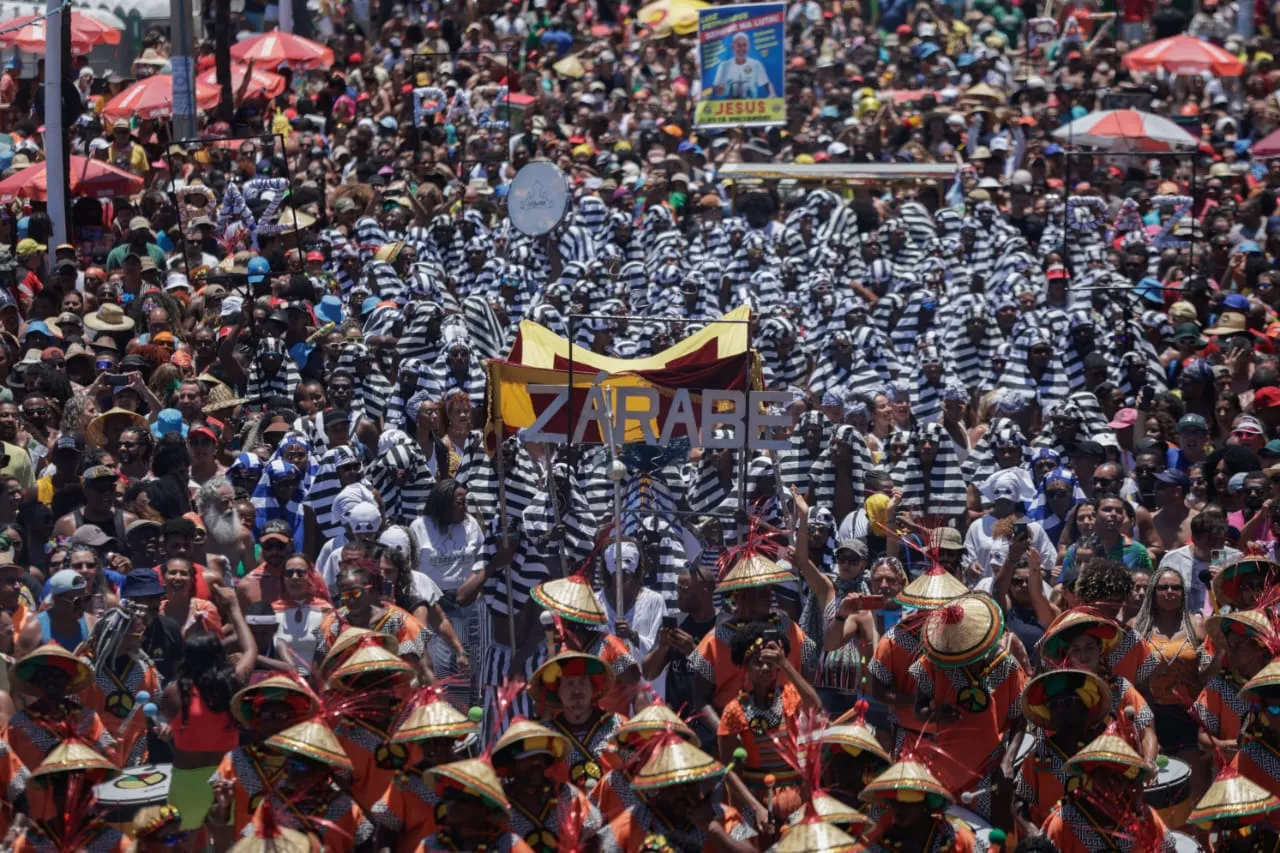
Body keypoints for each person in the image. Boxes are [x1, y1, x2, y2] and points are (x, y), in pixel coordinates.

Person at [159, 597, 256, 832]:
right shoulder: (233, 683)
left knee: (189, 844)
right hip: (226, 776)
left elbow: (168, 722)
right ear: (219, 656)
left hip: (186, 777)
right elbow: (251, 649)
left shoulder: (174, 691)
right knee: (226, 843)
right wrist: (233, 607)